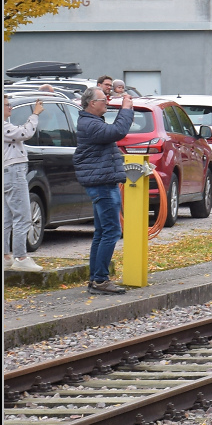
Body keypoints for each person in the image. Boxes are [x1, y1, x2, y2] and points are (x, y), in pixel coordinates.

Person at [74, 87, 136, 295]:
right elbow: (117, 132)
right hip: (102, 184)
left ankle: (96, 278)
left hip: (103, 182)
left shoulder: (91, 122)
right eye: (103, 100)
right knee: (112, 231)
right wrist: (126, 109)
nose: (107, 103)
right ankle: (100, 279)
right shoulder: (90, 124)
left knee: (102, 232)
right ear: (92, 103)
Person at [4, 90, 50, 272]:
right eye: (7, 104)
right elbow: (25, 132)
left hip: (9, 171)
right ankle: (20, 256)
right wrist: (35, 114)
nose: (10, 107)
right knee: (23, 215)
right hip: (14, 172)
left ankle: (6, 255)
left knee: (7, 216)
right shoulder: (5, 127)